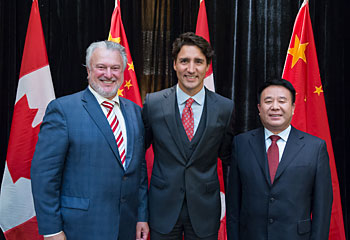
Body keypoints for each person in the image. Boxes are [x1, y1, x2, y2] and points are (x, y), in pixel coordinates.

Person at [31, 40, 149, 240]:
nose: (108, 74)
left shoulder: (136, 112)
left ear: (123, 72)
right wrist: (51, 230)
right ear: (88, 70)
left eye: (115, 68)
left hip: (126, 227)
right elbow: (44, 176)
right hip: (79, 228)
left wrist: (141, 216)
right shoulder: (63, 110)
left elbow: (139, 170)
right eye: (101, 67)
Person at [142, 32, 234, 240]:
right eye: (184, 61)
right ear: (174, 64)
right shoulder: (153, 104)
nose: (191, 69)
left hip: (205, 211)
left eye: (198, 62)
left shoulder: (224, 108)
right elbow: (137, 157)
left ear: (207, 66)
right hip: (161, 209)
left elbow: (229, 160)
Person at [226, 78, 333, 240]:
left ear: (293, 108)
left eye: (282, 101)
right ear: (259, 109)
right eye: (268, 101)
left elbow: (322, 208)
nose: (275, 107)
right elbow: (233, 205)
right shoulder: (241, 144)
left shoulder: (315, 147)